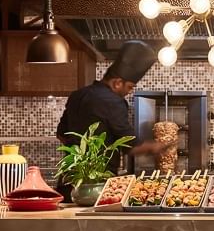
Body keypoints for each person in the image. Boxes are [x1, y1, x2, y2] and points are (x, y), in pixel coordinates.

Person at [57, 40, 166, 176]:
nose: (130, 91)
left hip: (70, 178)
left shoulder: (77, 95)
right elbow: (130, 145)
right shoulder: (114, 102)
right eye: (130, 87)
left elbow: (61, 134)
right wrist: (157, 146)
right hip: (98, 180)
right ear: (118, 83)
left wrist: (78, 152)